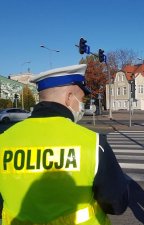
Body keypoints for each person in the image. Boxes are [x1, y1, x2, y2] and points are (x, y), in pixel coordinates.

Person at [0, 64, 129, 225]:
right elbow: (117, 204)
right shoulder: (93, 143)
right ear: (69, 98)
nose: (82, 106)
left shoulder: (3, 141)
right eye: (81, 99)